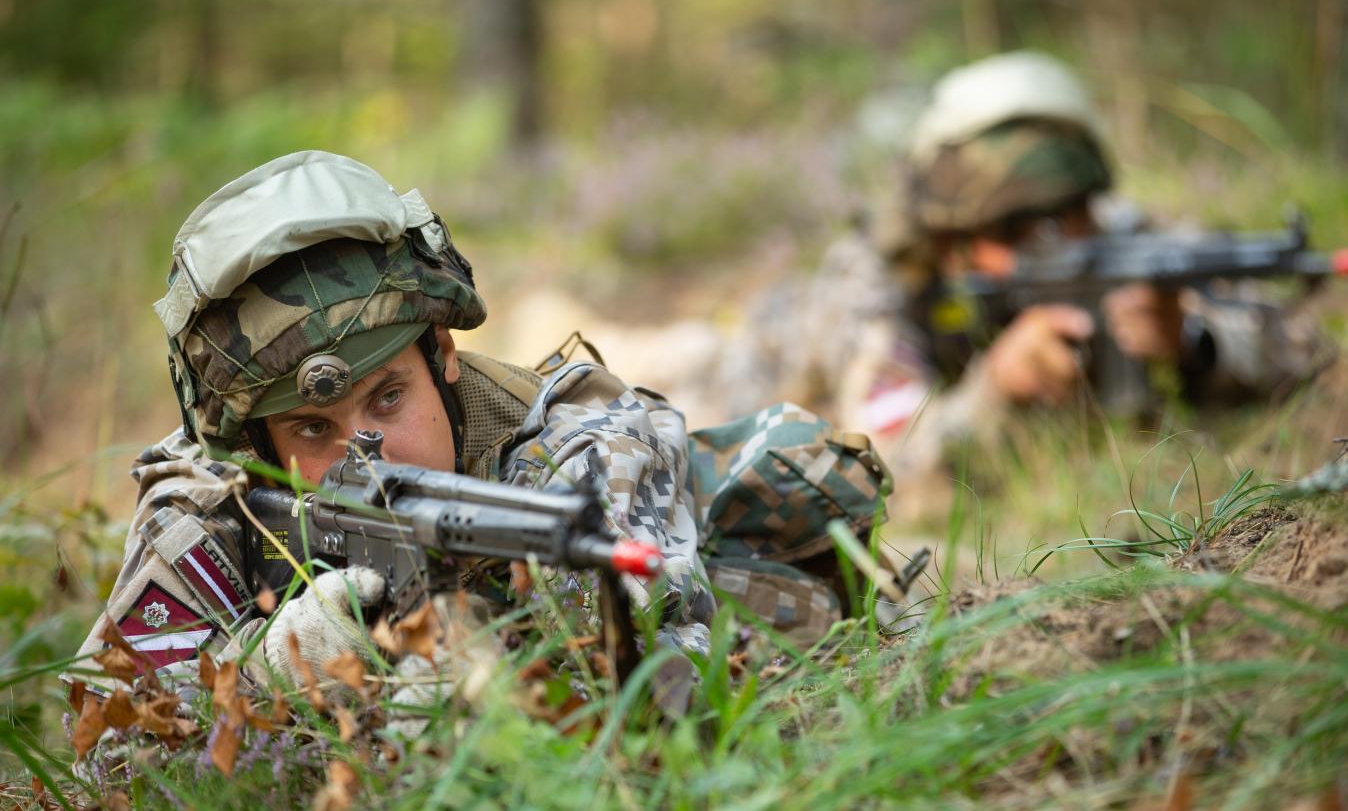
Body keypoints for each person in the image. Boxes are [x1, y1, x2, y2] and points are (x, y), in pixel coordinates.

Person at [68, 151, 894, 707]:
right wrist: (267, 673)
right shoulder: (218, 505)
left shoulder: (577, 440)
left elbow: (668, 659)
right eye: (313, 428)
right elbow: (99, 749)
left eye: (388, 400)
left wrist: (505, 677)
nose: (365, 450)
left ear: (443, 355)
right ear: (256, 440)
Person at [552, 52, 1324, 496]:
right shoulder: (883, 286)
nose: (1052, 245)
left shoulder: (1130, 245)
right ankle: (557, 314)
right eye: (1014, 231)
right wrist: (993, 390)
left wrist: (1192, 341)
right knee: (638, 364)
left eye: (1070, 214)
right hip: (747, 369)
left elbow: (1294, 339)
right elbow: (876, 460)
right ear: (953, 240)